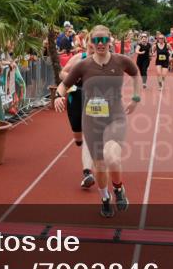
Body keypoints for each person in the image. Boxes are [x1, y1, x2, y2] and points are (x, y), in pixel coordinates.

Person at [55, 25, 141, 218]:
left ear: (110, 41)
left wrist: (136, 98)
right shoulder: (83, 65)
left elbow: (136, 74)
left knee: (112, 157)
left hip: (115, 117)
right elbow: (64, 84)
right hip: (92, 120)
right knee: (100, 167)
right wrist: (58, 96)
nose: (100, 44)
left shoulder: (121, 61)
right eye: (96, 40)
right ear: (91, 43)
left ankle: (118, 189)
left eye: (104, 40)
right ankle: (104, 197)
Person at [61, 35, 96, 189]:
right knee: (78, 133)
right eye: (91, 42)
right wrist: (72, 79)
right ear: (86, 43)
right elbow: (63, 72)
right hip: (76, 97)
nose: (94, 45)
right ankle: (78, 139)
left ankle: (87, 172)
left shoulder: (104, 61)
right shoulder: (78, 58)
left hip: (95, 100)